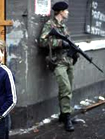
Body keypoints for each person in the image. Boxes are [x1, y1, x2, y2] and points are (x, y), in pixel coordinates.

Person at [40, 1, 76, 132]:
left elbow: (69, 42)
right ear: (60, 11)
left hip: (68, 61)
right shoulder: (50, 25)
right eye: (66, 10)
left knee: (67, 89)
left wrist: (74, 51)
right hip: (58, 62)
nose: (68, 12)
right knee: (65, 89)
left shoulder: (64, 26)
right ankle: (67, 117)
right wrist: (61, 43)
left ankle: (63, 114)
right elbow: (42, 41)